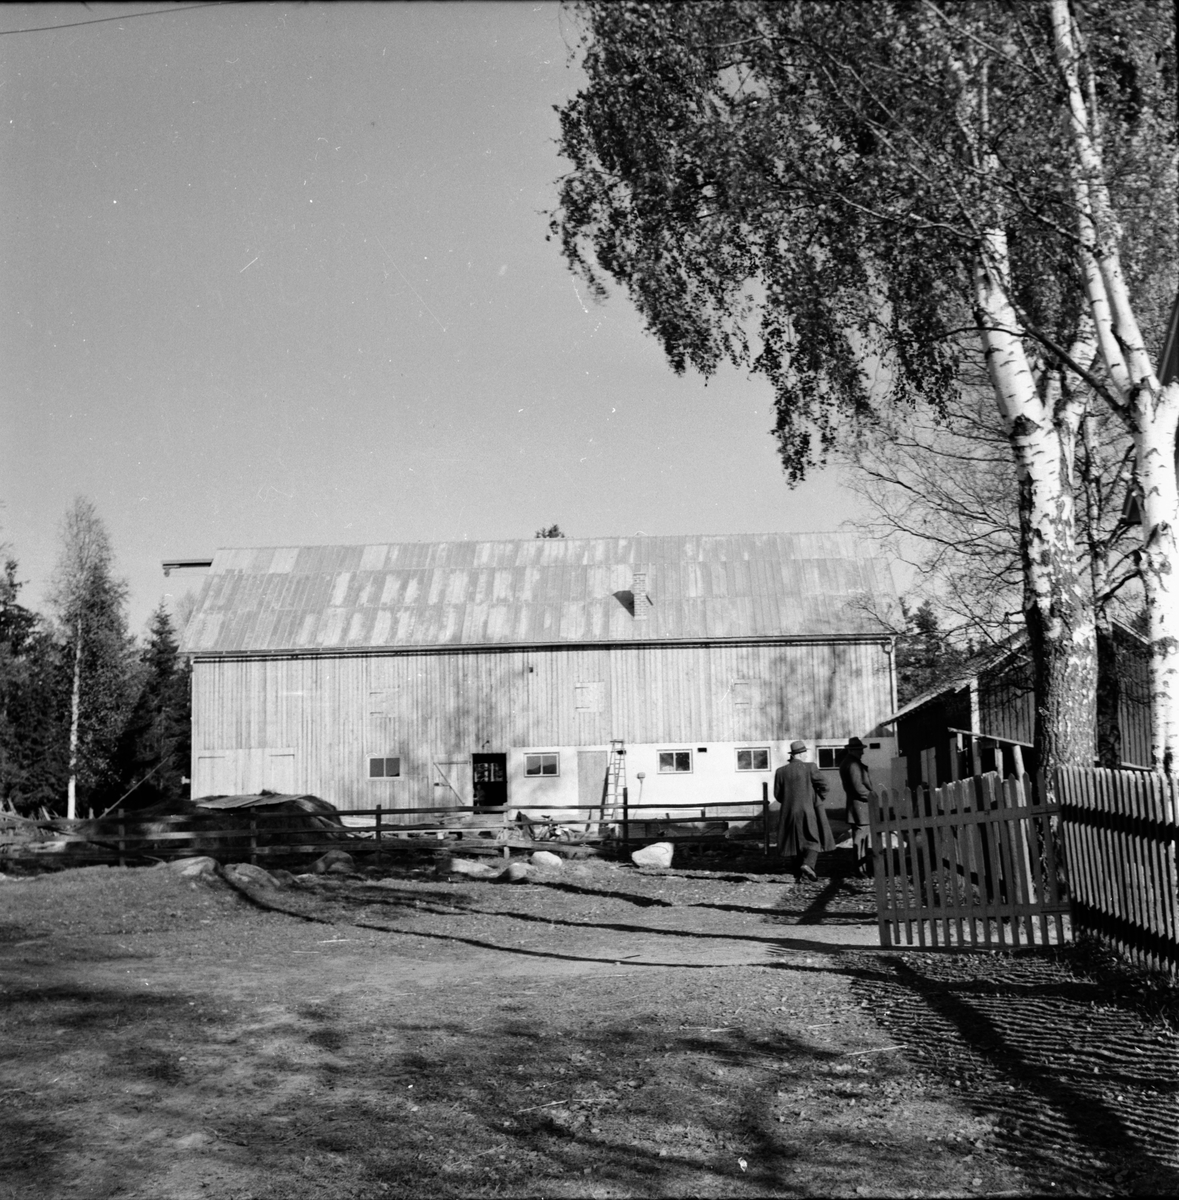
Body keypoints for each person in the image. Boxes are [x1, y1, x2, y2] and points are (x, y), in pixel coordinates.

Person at [773, 739, 833, 882]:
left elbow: (778, 795)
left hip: (788, 812)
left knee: (794, 842)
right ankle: (808, 865)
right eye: (805, 753)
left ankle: (797, 876)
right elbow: (825, 786)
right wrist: (816, 799)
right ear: (800, 754)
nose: (806, 755)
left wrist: (789, 802)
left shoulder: (780, 771)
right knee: (813, 839)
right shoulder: (810, 767)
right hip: (808, 810)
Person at [839, 736, 875, 878]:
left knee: (860, 840)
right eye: (860, 750)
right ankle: (860, 870)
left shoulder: (848, 763)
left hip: (856, 807)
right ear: (853, 750)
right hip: (861, 808)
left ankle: (860, 869)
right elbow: (858, 788)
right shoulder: (853, 765)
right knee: (861, 841)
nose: (862, 752)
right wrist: (872, 797)